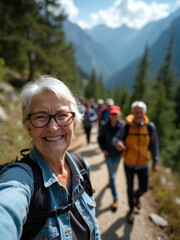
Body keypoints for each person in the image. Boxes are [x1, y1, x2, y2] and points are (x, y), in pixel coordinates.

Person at [0, 75, 101, 240]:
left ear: (74, 122)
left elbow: (93, 226)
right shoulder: (21, 179)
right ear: (29, 128)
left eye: (62, 115)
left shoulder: (82, 167)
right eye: (40, 117)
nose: (53, 127)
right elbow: (6, 208)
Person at [112, 101, 159, 224]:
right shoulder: (126, 126)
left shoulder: (150, 127)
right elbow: (116, 138)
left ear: (145, 113)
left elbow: (154, 145)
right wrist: (117, 143)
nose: (138, 114)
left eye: (141, 112)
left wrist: (155, 161)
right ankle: (131, 209)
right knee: (129, 187)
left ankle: (137, 196)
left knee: (144, 188)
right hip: (129, 163)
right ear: (132, 112)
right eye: (136, 112)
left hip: (143, 164)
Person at [98, 105, 124, 212]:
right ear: (109, 114)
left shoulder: (123, 126)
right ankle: (115, 199)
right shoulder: (104, 125)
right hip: (108, 154)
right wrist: (103, 149)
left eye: (116, 114)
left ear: (119, 114)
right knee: (113, 176)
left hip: (118, 154)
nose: (114, 116)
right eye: (112, 114)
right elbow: (100, 138)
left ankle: (110, 182)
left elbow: (126, 139)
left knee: (114, 173)